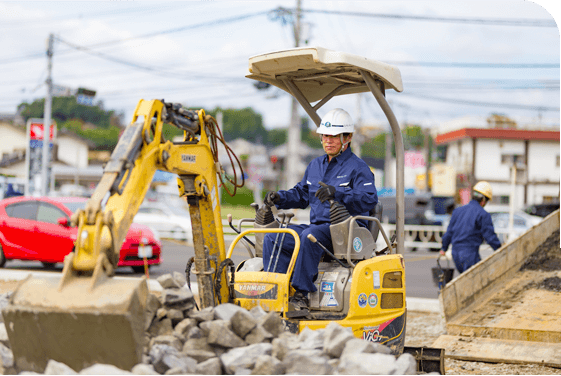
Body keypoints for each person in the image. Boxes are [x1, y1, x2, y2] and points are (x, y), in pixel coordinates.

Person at [262, 108, 378, 310]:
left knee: (309, 235)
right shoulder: (315, 165)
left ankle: (301, 296)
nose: (328, 140)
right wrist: (280, 197)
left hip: (346, 231)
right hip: (318, 228)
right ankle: (276, 293)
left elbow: (369, 199)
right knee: (274, 237)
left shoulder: (358, 168)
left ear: (347, 137)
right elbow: (301, 195)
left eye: (334, 136)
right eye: (325, 135)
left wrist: (338, 194)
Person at [440, 181, 502, 274]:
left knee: (466, 279)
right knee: (478, 278)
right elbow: (490, 237)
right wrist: (500, 249)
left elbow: (449, 232)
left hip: (455, 254)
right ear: (484, 200)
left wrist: (443, 248)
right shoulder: (483, 214)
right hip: (469, 254)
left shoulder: (457, 211)